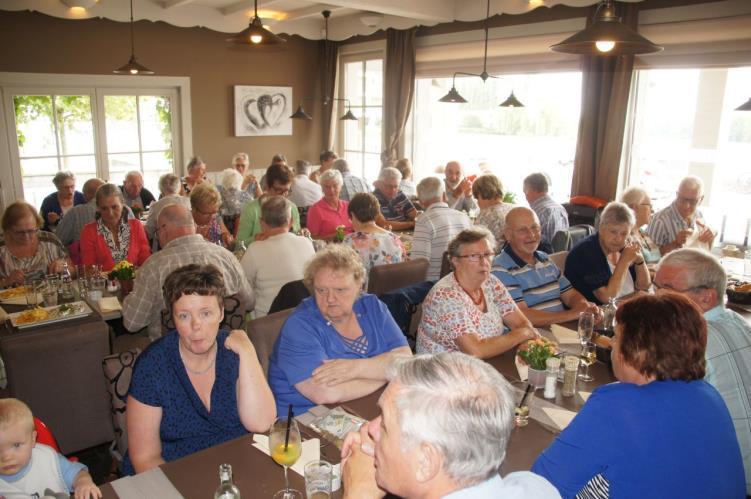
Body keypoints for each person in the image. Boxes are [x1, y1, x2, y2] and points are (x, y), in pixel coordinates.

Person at [533, 293, 745, 498]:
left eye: (616, 337)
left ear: (636, 350)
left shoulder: (616, 405)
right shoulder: (709, 395)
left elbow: (542, 486)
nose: (612, 343)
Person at [340, 353, 560, 499]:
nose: (370, 428)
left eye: (385, 425)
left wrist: (358, 492)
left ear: (426, 462)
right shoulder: (534, 487)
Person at [124, 264, 275, 475]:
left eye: (205, 313)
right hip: (176, 474)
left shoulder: (234, 352)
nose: (196, 326)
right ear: (173, 318)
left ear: (221, 313)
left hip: (237, 468)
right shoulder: (153, 367)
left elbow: (262, 424)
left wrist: (248, 352)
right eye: (184, 316)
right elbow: (144, 458)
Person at [267, 244, 411, 416]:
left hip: (367, 407)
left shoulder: (372, 306)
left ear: (359, 285)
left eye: (340, 290)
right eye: (321, 290)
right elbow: (325, 393)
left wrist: (355, 368)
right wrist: (388, 372)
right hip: (306, 421)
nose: (330, 299)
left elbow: (405, 358)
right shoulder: (299, 326)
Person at [654, 248, 751, 494]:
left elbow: (655, 415)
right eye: (655, 287)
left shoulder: (690, 340)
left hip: (725, 478)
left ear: (706, 298)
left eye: (665, 288)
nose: (654, 298)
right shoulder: (740, 323)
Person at [122, 204, 254, 341]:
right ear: (194, 226)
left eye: (156, 231)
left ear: (163, 229)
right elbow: (250, 302)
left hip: (174, 354)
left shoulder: (153, 267)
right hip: (227, 347)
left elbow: (132, 323)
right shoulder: (227, 256)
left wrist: (128, 293)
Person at [417, 228, 536, 358]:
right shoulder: (445, 296)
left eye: (487, 254)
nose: (483, 262)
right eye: (474, 256)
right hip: (444, 370)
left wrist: (525, 341)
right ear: (455, 261)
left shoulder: (491, 282)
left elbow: (521, 323)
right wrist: (522, 334)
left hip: (489, 361)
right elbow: (475, 350)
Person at [492, 207, 600, 326]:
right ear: (508, 235)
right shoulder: (500, 268)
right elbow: (521, 315)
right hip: (536, 337)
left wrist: (584, 308)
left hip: (562, 330)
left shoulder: (545, 259)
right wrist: (573, 314)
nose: (531, 235)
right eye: (523, 230)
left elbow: (571, 295)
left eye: (535, 227)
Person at [0, 398, 101, 498]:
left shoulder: (47, 459)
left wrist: (83, 483)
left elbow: (76, 473)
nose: (6, 457)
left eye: (17, 445)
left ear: (32, 439)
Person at [240, 196, 315, 317]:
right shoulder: (306, 243)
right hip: (305, 315)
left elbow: (243, 289)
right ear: (291, 222)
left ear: (262, 223)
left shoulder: (255, 249)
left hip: (269, 321)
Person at [564, 202, 650, 305]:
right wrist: (625, 260)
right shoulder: (586, 252)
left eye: (624, 233)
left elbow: (644, 286)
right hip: (593, 314)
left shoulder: (625, 247)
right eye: (613, 232)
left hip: (626, 307)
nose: (618, 239)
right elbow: (607, 298)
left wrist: (639, 260)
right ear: (601, 229)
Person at [411, 177, 471, 281]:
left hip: (433, 285)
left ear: (421, 202)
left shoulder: (424, 220)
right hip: (463, 280)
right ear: (444, 196)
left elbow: (419, 264)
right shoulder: (464, 217)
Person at [342, 193, 406, 290]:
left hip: (364, 299)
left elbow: (343, 274)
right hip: (393, 296)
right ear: (377, 214)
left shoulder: (350, 240)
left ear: (352, 215)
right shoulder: (394, 238)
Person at [80, 183, 150, 271]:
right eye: (104, 208)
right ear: (98, 208)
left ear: (122, 204)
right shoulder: (88, 232)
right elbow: (89, 268)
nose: (110, 213)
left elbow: (146, 261)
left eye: (114, 207)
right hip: (104, 284)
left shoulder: (136, 226)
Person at [0, 202, 70, 287]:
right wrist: (6, 281)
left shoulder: (50, 240)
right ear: (8, 229)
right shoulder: (2, 249)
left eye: (31, 231)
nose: (26, 236)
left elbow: (73, 269)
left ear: (37, 225)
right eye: (20, 232)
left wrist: (63, 266)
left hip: (51, 297)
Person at [236, 163, 301, 246]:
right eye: (278, 190)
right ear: (267, 187)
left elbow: (295, 235)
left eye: (287, 190)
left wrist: (301, 233)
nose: (283, 195)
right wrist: (255, 239)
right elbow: (238, 244)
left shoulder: (292, 208)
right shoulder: (252, 209)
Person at [647, 175, 716, 254]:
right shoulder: (659, 220)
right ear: (677, 195)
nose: (686, 206)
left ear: (701, 199)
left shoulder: (698, 215)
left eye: (693, 201)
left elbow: (704, 251)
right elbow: (649, 257)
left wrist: (710, 238)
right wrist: (676, 243)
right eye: (682, 199)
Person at [523, 173, 568, 254]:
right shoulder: (561, 208)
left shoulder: (535, 212)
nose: (525, 196)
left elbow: (529, 243)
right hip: (560, 258)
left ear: (533, 190)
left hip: (541, 259)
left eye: (525, 192)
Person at [56, 177, 105, 248]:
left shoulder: (76, 212)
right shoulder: (125, 209)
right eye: (65, 187)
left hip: (84, 256)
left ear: (85, 195)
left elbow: (58, 240)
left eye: (72, 186)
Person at [144, 173, 191, 246]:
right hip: (188, 242)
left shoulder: (156, 206)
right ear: (179, 188)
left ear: (161, 189)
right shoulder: (189, 202)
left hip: (165, 247)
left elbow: (148, 232)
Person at [472, 174, 516, 250]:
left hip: (497, 258)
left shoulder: (485, 215)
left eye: (477, 197)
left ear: (482, 194)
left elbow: (474, 243)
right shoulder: (515, 208)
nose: (477, 203)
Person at [307, 169, 353, 241]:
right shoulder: (315, 210)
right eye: (327, 187)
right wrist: (332, 237)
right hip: (330, 249)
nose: (331, 190)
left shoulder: (348, 206)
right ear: (322, 188)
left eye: (335, 186)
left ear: (341, 187)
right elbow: (312, 238)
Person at [619, 186, 661, 263]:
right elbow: (633, 271)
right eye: (649, 206)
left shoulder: (643, 233)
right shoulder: (625, 236)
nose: (652, 210)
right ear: (634, 208)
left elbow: (656, 258)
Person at [190, 183, 235, 249]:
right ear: (194, 209)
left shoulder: (216, 217)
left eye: (214, 212)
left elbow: (228, 238)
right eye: (206, 214)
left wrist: (227, 238)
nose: (211, 217)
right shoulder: (187, 223)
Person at [216, 168, 253, 236]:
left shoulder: (246, 198)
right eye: (230, 190)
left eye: (234, 190)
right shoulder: (218, 199)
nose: (232, 194)